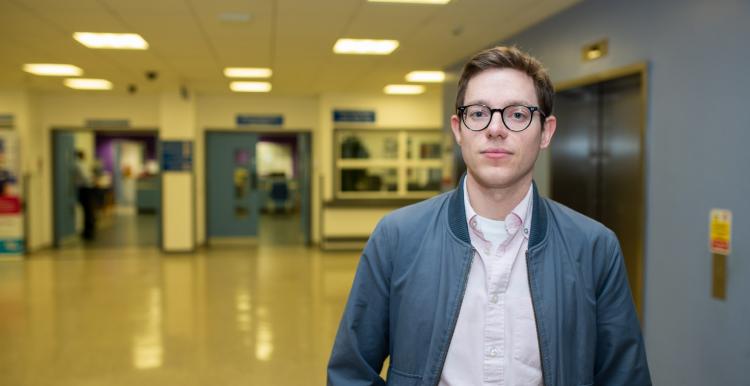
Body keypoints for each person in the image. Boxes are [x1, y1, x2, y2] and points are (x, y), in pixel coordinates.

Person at [327, 46, 651, 385]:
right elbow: (351, 373)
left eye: (517, 114)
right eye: (479, 113)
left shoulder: (594, 247)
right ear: (458, 129)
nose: (495, 129)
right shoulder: (398, 237)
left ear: (546, 131)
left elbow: (624, 377)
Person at [74, 150, 96, 240]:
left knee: (87, 210)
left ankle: (88, 230)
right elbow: (86, 177)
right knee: (88, 210)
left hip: (84, 188)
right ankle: (88, 232)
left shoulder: (80, 164)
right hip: (85, 189)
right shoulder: (79, 165)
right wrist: (92, 179)